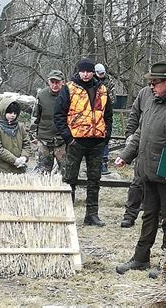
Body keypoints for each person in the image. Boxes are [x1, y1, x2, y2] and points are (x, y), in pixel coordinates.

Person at [114, 62, 166, 275]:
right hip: (148, 171)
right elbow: (141, 133)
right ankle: (141, 258)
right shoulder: (152, 100)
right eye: (150, 82)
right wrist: (125, 156)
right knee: (149, 214)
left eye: (155, 82)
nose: (151, 86)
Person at [54, 58, 113, 227]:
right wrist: (69, 138)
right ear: (78, 72)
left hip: (97, 142)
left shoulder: (102, 89)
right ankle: (67, 213)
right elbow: (59, 115)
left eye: (88, 71)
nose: (86, 74)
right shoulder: (69, 89)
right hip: (76, 141)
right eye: (83, 71)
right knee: (69, 178)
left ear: (93, 72)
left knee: (94, 179)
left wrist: (106, 136)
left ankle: (92, 215)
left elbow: (108, 115)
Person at [120, 85, 153, 228]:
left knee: (158, 185)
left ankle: (155, 216)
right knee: (137, 183)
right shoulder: (144, 93)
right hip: (142, 144)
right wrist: (130, 135)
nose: (153, 85)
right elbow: (134, 115)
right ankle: (130, 215)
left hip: (162, 147)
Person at [32, 70, 66, 174]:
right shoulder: (41, 95)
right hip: (44, 140)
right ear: (48, 82)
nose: (55, 85)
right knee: (43, 171)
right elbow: (35, 116)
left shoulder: (68, 95)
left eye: (57, 82)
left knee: (65, 171)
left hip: (62, 140)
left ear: (62, 82)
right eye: (52, 82)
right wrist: (33, 135)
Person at [0, 98, 31, 174]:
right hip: (2, 170)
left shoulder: (20, 127)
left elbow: (26, 144)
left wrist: (24, 157)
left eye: (15, 113)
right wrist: (14, 160)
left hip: (20, 169)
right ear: (3, 111)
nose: (12, 115)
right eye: (10, 112)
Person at [95, 63, 116, 175]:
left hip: (104, 114)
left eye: (103, 73)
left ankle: (104, 163)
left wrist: (104, 101)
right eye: (99, 74)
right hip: (91, 115)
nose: (101, 75)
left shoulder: (109, 82)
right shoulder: (90, 81)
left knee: (105, 139)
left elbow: (113, 98)